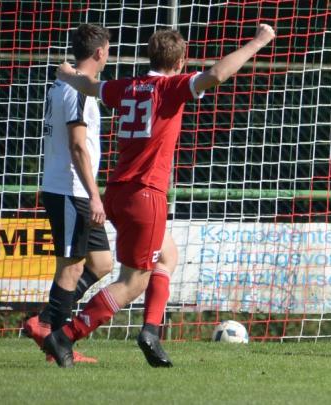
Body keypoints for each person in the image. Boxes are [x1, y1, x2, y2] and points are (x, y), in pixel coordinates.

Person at [43, 24, 276, 368]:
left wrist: (66, 72)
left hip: (117, 191)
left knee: (167, 255)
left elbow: (89, 85)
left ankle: (151, 331)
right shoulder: (170, 88)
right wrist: (259, 41)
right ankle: (66, 336)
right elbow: (218, 73)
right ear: (181, 61)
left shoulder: (125, 86)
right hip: (146, 193)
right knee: (132, 281)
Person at [21, 24, 114, 364]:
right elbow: (77, 146)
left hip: (71, 189)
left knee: (102, 264)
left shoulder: (66, 83)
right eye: (108, 50)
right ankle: (56, 341)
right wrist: (95, 195)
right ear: (100, 52)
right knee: (71, 267)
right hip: (71, 189)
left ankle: (46, 322)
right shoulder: (76, 91)